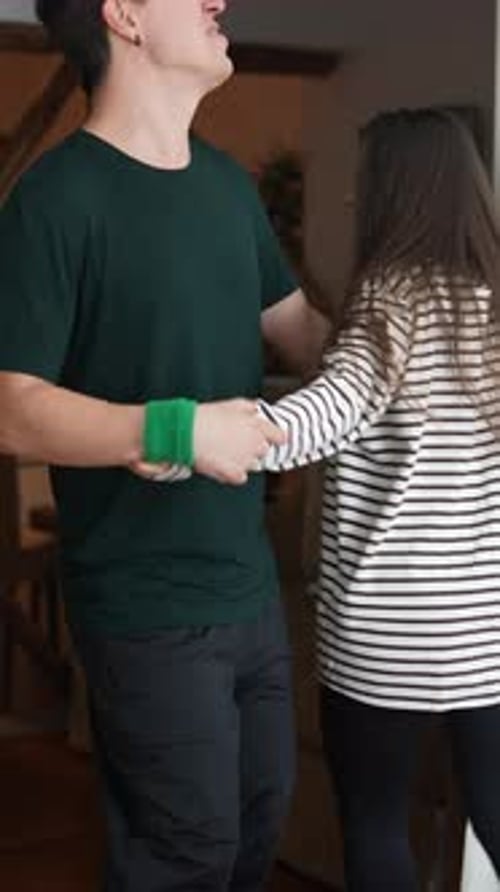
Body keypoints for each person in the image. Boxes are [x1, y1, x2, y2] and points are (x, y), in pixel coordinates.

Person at [0, 1, 327, 889]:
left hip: (247, 590)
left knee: (254, 837)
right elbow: (12, 406)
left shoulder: (227, 187)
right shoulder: (53, 200)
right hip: (144, 606)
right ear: (124, 16)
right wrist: (174, 428)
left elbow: (307, 339)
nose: (219, 0)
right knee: (185, 858)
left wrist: (433, 342)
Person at [256, 108, 500, 890]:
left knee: (375, 820)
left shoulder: (385, 309)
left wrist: (200, 434)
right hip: (487, 634)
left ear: (401, 192)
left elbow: (319, 421)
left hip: (383, 634)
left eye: (369, 184)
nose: (360, 203)